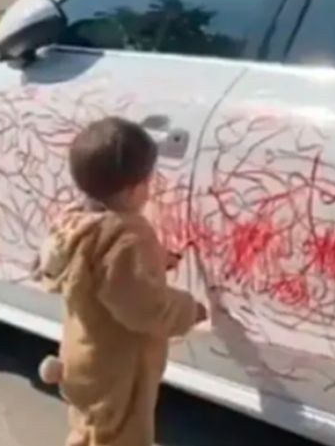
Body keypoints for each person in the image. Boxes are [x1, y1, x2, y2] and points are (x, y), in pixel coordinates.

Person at [33, 116, 207, 446]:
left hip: (82, 357)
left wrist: (154, 260)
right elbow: (144, 308)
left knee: (90, 430)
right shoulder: (128, 236)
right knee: (122, 437)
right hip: (119, 371)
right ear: (134, 189)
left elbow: (101, 272)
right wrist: (189, 310)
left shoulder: (75, 223)